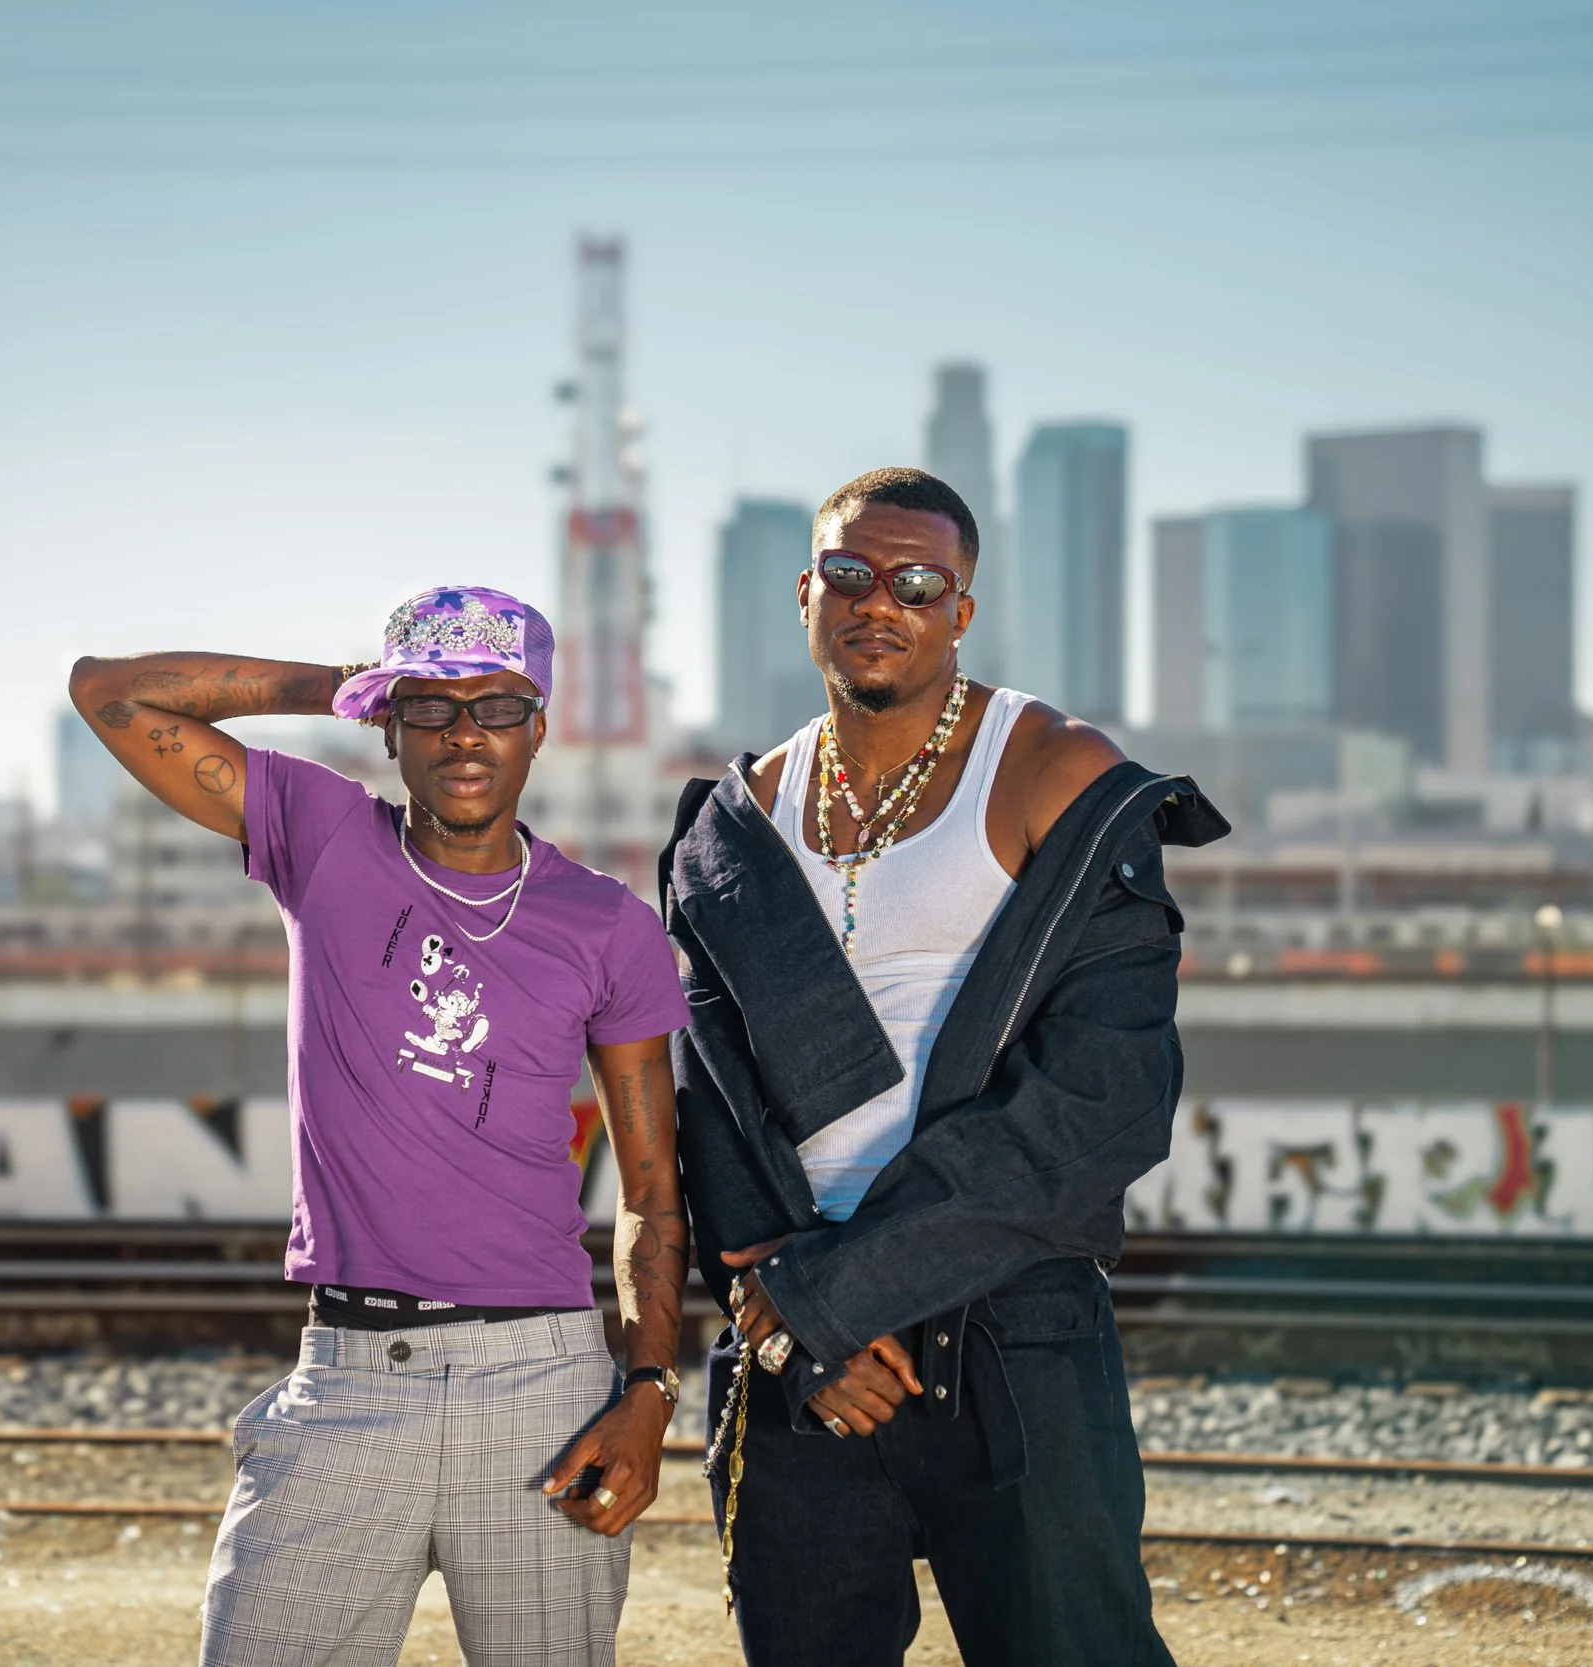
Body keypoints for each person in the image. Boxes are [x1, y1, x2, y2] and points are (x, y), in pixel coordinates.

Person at [659, 469, 1229, 1666]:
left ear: (960, 609)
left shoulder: (1055, 772)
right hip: (798, 1347)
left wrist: (832, 1299)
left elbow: (1102, 1105)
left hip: (1007, 1325)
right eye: (853, 575)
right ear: (806, 593)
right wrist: (786, 1314)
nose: (883, 602)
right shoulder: (734, 822)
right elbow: (707, 1090)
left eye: (919, 582)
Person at [69, 586, 691, 1667]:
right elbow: (110, 693)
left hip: (540, 1385)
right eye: (431, 707)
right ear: (392, 724)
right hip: (350, 1375)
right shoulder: (323, 835)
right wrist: (332, 688)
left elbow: (650, 1190)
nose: (464, 734)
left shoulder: (607, 923)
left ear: (537, 725)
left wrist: (647, 1392)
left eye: (496, 706)